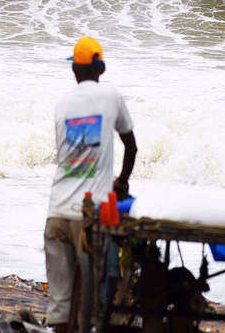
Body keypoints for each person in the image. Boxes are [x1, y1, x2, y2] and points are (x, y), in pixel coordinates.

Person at [44, 36, 137, 332]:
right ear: (101, 68)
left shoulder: (61, 104)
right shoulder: (111, 96)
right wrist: (121, 180)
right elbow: (131, 146)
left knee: (60, 304)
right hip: (90, 217)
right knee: (95, 304)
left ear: (74, 71)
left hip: (56, 212)